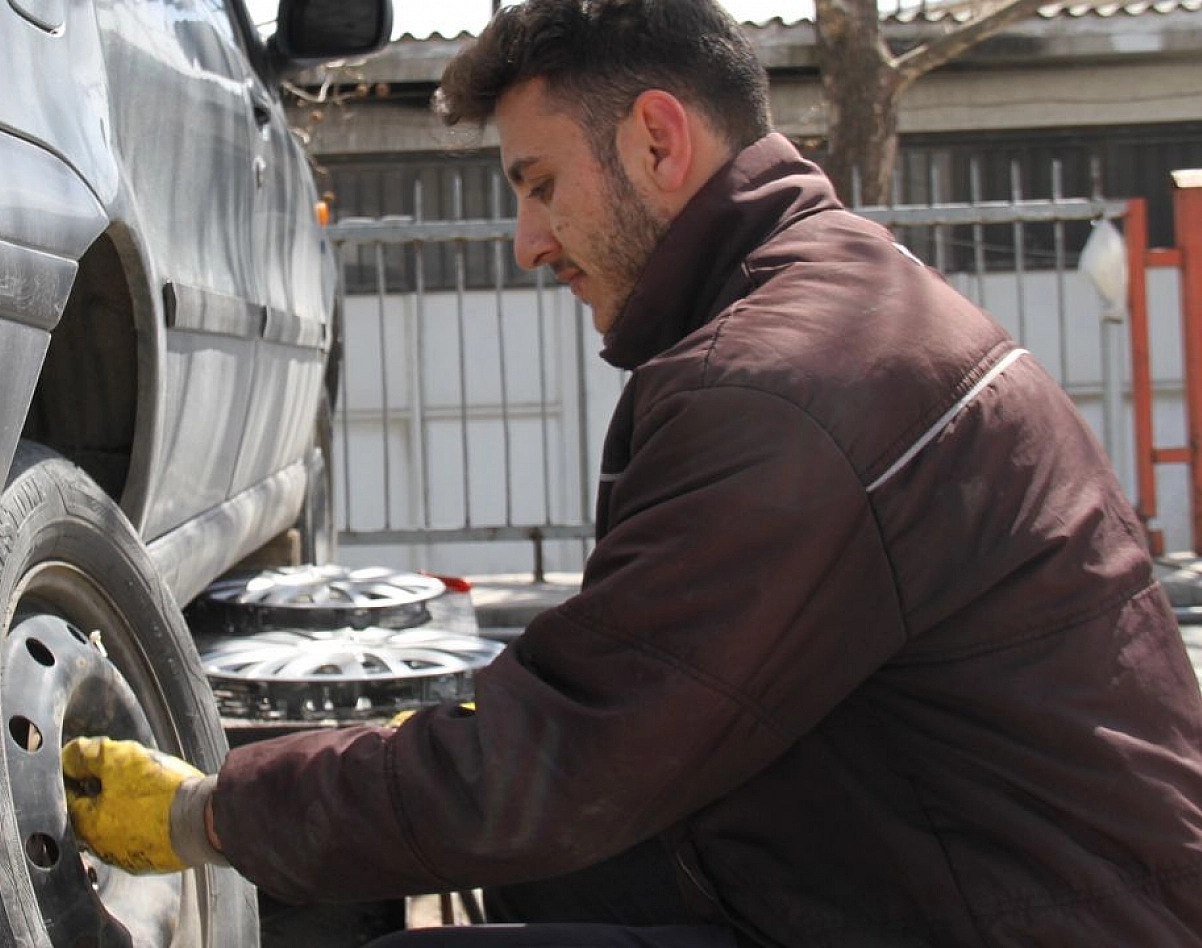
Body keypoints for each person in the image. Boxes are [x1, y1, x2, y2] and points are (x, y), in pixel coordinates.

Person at [62, 0, 1202, 944]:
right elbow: (626, 696)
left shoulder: (777, 387)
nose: (525, 241)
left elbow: (566, 754)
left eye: (539, 182)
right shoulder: (834, 300)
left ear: (658, 142)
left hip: (1021, 921)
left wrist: (213, 813)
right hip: (970, 867)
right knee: (518, 868)